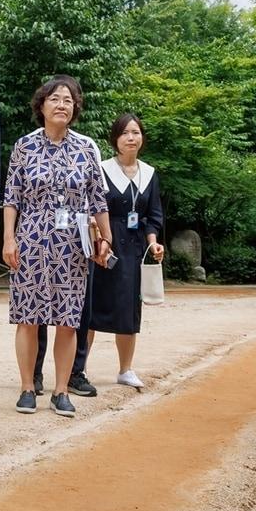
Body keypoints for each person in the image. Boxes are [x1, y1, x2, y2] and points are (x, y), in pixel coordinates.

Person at [3, 75, 111, 418]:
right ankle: (26, 387)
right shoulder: (24, 146)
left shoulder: (85, 147)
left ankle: (62, 390)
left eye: (68, 99)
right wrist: (8, 238)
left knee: (67, 320)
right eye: (55, 99)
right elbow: (11, 197)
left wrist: (105, 239)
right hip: (31, 239)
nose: (62, 104)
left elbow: (98, 200)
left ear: (75, 107)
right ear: (42, 106)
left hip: (72, 244)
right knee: (28, 318)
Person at [85, 112, 165, 389]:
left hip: (133, 247)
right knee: (93, 305)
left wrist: (153, 241)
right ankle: (79, 368)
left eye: (136, 132)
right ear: (115, 139)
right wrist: (97, 237)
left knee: (130, 308)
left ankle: (125, 369)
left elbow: (153, 215)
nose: (131, 138)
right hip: (104, 244)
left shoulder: (149, 174)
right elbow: (91, 207)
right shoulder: (102, 169)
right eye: (125, 133)